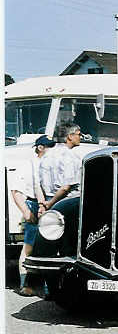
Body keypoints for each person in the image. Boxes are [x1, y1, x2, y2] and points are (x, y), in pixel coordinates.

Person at [9, 134, 54, 295]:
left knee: (51, 249)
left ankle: (50, 288)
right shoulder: (28, 166)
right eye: (49, 146)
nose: (52, 149)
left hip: (50, 205)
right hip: (34, 205)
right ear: (40, 148)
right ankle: (25, 284)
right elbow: (16, 191)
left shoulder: (52, 164)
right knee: (29, 247)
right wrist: (27, 212)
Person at [40, 123, 83, 210]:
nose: (81, 137)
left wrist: (45, 204)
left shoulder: (47, 154)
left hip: (48, 198)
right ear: (70, 136)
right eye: (79, 134)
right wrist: (51, 204)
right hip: (66, 201)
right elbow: (65, 187)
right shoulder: (71, 157)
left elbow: (40, 182)